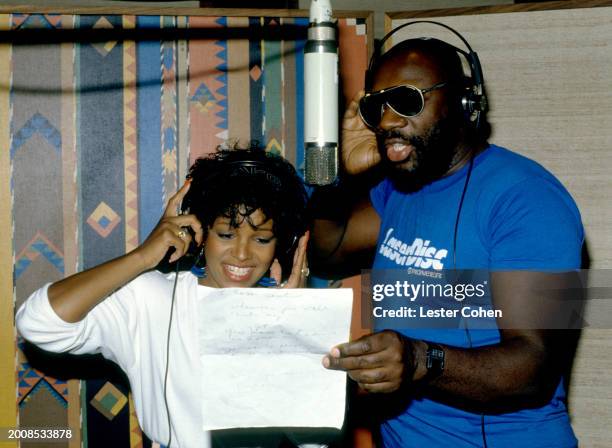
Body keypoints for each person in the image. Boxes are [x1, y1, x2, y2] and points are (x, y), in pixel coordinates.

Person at [310, 35, 584, 447]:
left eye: (407, 101)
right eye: (377, 106)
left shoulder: (527, 198)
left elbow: (534, 368)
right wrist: (337, 177)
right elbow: (327, 253)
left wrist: (420, 359)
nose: (387, 121)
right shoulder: (397, 191)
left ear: (463, 104)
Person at [16, 146, 310, 447]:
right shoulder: (151, 297)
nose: (243, 254)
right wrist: (143, 256)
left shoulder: (291, 314)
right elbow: (38, 323)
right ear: (199, 231)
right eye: (225, 235)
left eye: (261, 239)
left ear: (282, 245)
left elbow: (314, 438)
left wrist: (291, 334)